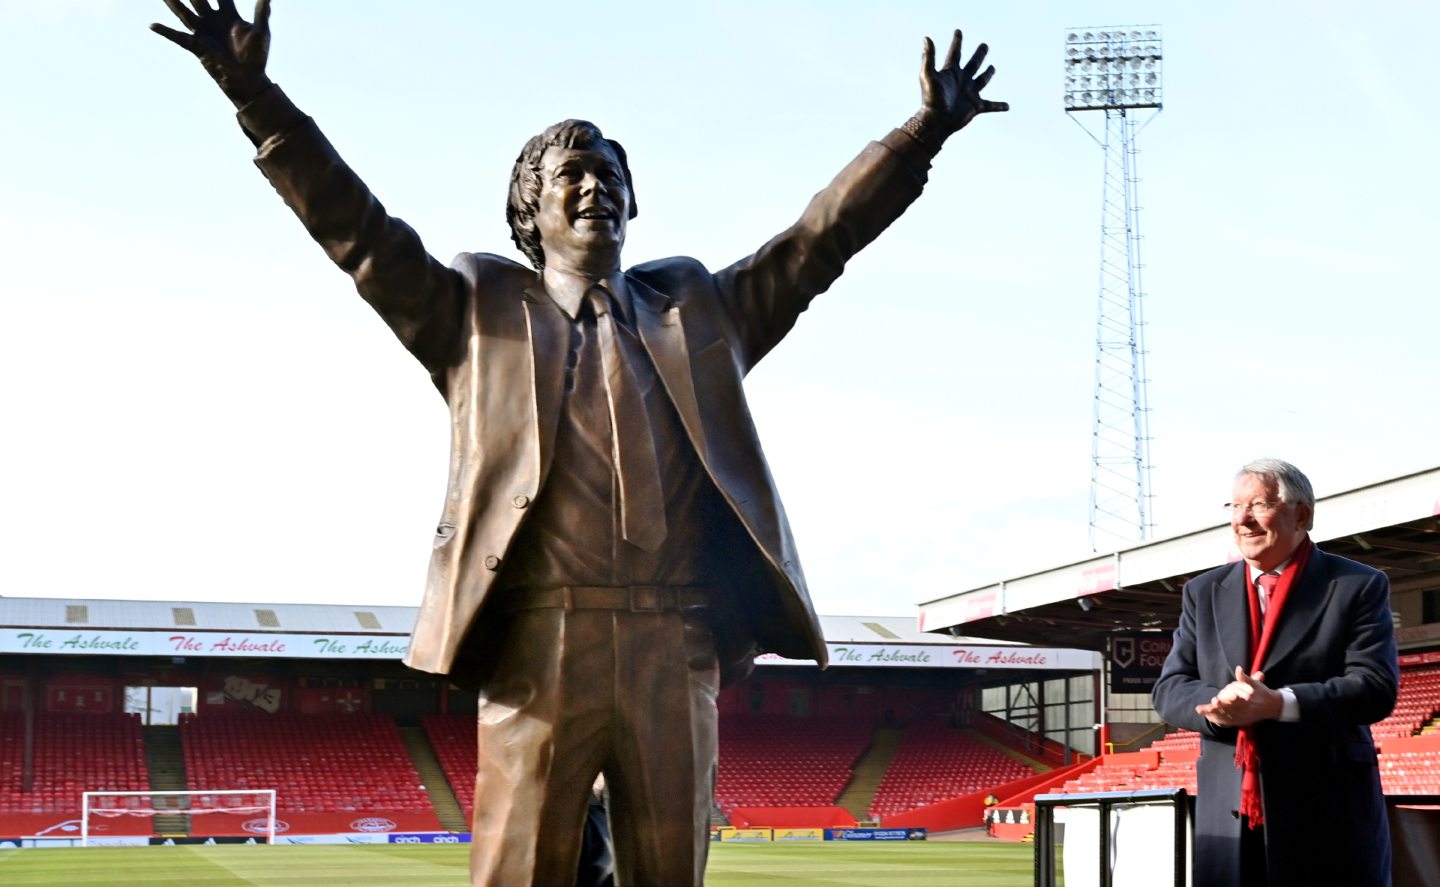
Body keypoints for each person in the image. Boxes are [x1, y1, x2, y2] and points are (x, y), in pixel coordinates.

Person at [151, 2, 1007, 884]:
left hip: (675, 645)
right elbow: (357, 232)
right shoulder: (475, 315)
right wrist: (254, 96)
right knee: (520, 871)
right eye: (570, 175)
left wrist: (921, 135)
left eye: (608, 173)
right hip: (539, 643)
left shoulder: (698, 312)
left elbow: (817, 240)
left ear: (634, 200)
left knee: (670, 871)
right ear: (532, 212)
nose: (594, 186)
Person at [1152, 459, 1398, 886]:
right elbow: (1171, 687)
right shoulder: (1202, 591)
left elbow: (1374, 688)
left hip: (1328, 816)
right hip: (1227, 814)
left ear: (1301, 514)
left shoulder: (1357, 584)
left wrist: (1279, 704)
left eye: (1259, 505)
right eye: (1235, 506)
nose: (1243, 520)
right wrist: (1216, 709)